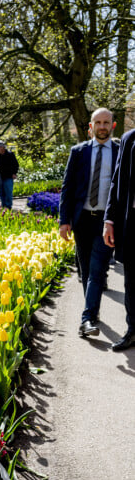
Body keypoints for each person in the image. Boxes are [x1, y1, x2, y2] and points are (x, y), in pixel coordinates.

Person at [59, 107, 119, 337]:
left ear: (113, 125)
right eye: (98, 122)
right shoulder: (79, 152)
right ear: (90, 127)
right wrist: (64, 221)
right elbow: (68, 187)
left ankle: (87, 319)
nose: (102, 126)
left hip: (107, 222)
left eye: (106, 122)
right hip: (82, 219)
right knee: (85, 271)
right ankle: (91, 313)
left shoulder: (121, 152)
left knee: (97, 270)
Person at [103, 128, 135, 350]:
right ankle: (133, 331)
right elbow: (116, 181)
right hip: (131, 222)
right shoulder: (129, 138)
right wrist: (109, 220)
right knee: (132, 282)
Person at [0, 141, 19, 209]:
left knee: (8, 193)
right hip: (0, 177)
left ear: (3, 147)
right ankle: (3, 205)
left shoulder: (10, 154)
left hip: (8, 176)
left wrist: (14, 173)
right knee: (1, 193)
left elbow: (16, 165)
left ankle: (8, 206)